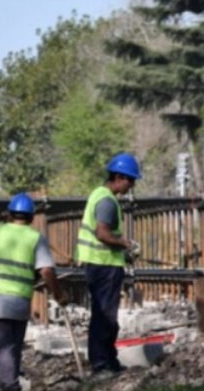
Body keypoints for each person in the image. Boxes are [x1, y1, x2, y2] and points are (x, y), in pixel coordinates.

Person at [0, 193, 66, 391]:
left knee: (1, 348)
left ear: (10, 214)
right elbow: (46, 270)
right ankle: (11, 389)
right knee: (13, 347)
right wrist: (58, 294)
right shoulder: (36, 238)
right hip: (19, 301)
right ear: (32, 217)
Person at [76, 153, 140, 376]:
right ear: (119, 177)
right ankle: (101, 363)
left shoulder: (99, 195)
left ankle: (108, 360)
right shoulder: (107, 202)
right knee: (105, 318)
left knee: (103, 317)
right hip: (105, 266)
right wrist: (125, 244)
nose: (131, 186)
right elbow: (102, 233)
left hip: (99, 265)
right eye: (130, 180)